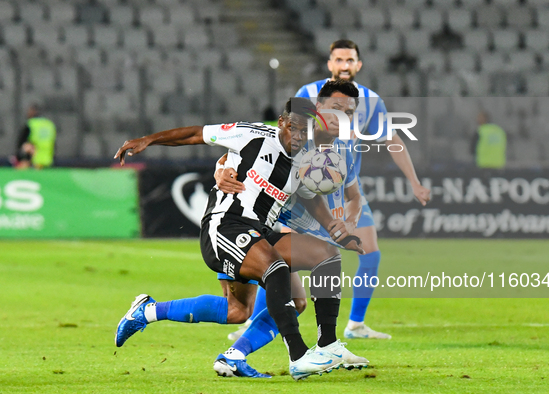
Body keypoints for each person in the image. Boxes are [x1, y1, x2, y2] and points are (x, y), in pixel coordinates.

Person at [113, 97, 366, 381]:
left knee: (313, 267)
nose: (298, 136)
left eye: (304, 131)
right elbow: (199, 133)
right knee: (276, 269)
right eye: (293, 128)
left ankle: (149, 313)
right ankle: (299, 356)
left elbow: (310, 200)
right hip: (224, 226)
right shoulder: (253, 134)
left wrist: (336, 229)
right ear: (281, 122)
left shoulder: (305, 162)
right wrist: (149, 140)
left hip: (259, 232)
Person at [227, 39, 431, 342]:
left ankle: (356, 325)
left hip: (348, 189)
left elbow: (392, 138)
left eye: (350, 60)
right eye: (339, 60)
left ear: (359, 65)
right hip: (301, 190)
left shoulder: (371, 100)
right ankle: (253, 320)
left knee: (370, 253)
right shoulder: (308, 94)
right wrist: (231, 163)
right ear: (330, 63)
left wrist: (414, 181)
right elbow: (282, 132)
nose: (344, 66)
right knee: (275, 256)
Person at [213, 80, 371, 377]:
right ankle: (150, 312)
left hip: (288, 233)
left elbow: (354, 196)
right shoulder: (295, 131)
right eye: (335, 108)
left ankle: (239, 355)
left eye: (347, 112)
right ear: (319, 107)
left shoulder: (343, 149)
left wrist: (346, 224)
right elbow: (230, 156)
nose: (341, 116)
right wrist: (220, 172)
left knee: (293, 300)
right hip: (254, 228)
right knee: (239, 309)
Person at [13, 104, 57, 169]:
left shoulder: (31, 124)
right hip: (48, 161)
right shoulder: (50, 124)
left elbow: (22, 143)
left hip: (34, 163)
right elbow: (54, 144)